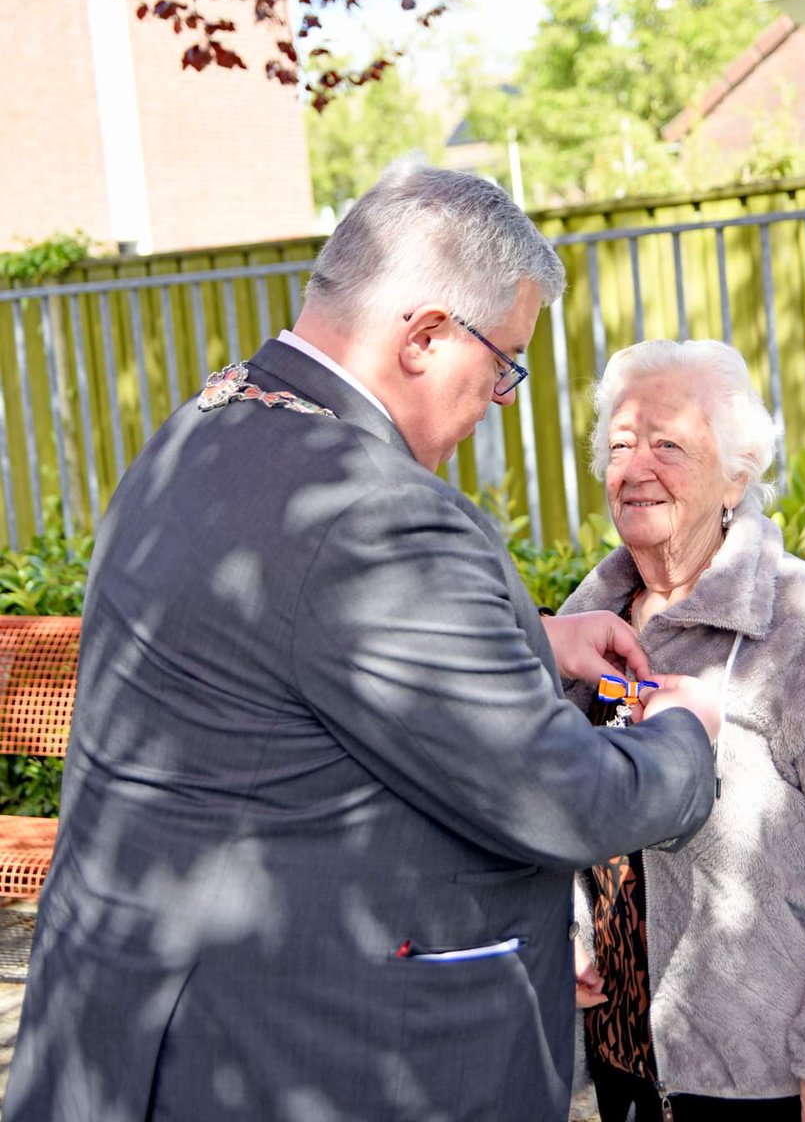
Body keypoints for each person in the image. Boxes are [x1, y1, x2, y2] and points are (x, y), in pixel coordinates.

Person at [5, 162, 720, 1122]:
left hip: (127, 1026)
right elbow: (562, 800)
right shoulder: (372, 514)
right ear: (425, 337)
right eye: (504, 362)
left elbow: (271, 639)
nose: (504, 397)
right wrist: (685, 741)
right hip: (299, 1055)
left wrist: (528, 638)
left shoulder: (200, 434)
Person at [561, 338, 805, 1122]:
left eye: (669, 444)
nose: (636, 464)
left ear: (739, 473)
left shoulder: (803, 624)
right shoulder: (587, 625)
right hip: (623, 1068)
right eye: (619, 443)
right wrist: (563, 930)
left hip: (771, 1083)